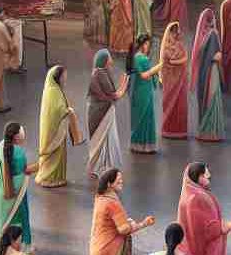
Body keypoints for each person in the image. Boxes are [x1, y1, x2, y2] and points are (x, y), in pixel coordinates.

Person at [177, 163, 231, 255]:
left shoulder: (187, 194)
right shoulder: (199, 198)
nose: (209, 180)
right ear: (199, 177)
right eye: (207, 177)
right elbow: (210, 230)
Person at [86, 50, 129, 181]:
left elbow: (113, 94)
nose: (111, 59)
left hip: (102, 111)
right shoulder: (100, 74)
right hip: (100, 113)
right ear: (104, 60)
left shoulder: (102, 72)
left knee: (103, 140)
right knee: (101, 139)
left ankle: (102, 165)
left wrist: (123, 84)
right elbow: (115, 95)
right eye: (109, 57)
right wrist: (125, 83)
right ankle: (99, 166)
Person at [92, 170, 156, 255]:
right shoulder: (112, 203)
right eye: (118, 181)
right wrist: (143, 223)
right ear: (109, 184)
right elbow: (124, 229)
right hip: (109, 249)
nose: (121, 182)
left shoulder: (100, 198)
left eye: (121, 179)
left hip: (98, 246)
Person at [0, 123, 37, 254]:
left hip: (1, 192)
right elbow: (24, 172)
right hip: (16, 193)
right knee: (21, 218)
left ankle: (5, 245)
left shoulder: (1, 146)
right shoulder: (18, 152)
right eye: (22, 132)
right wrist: (41, 164)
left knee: (6, 225)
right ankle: (26, 245)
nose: (24, 134)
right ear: (16, 137)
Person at [36, 66, 79, 188]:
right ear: (57, 78)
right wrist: (67, 111)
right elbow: (56, 109)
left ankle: (58, 177)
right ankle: (49, 177)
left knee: (59, 154)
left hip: (58, 127)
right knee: (54, 154)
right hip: (54, 131)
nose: (65, 79)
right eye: (63, 77)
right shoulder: (52, 91)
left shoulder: (55, 89)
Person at [191, 9, 227, 142]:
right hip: (212, 72)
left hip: (203, 72)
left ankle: (205, 130)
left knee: (206, 99)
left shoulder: (202, 36)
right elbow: (217, 56)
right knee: (213, 98)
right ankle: (211, 131)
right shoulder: (213, 34)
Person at [129, 35, 164, 153]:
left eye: (148, 45)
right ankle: (139, 144)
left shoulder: (142, 57)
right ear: (141, 45)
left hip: (146, 90)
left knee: (148, 116)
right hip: (140, 91)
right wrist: (158, 68)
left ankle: (146, 144)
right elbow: (143, 75)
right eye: (146, 44)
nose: (147, 47)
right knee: (142, 116)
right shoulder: (137, 58)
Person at [157, 23, 192, 141]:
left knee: (180, 104)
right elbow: (169, 61)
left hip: (180, 81)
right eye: (173, 33)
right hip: (170, 81)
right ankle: (168, 129)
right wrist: (177, 61)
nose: (175, 35)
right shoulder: (166, 47)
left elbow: (185, 58)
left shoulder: (180, 45)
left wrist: (177, 61)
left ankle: (179, 130)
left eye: (176, 33)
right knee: (169, 103)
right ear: (169, 33)